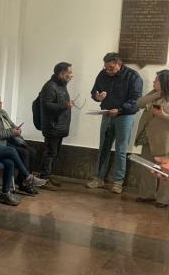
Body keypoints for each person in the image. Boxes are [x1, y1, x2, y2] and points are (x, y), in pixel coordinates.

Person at [87, 53, 142, 194]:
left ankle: (118, 182)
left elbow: (136, 100)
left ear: (119, 64)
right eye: (106, 67)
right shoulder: (103, 74)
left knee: (121, 149)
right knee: (103, 147)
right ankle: (99, 178)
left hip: (125, 116)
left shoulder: (133, 76)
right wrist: (97, 97)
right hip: (107, 114)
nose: (108, 71)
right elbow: (94, 92)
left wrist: (120, 110)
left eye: (111, 68)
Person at [0, 91, 56, 191]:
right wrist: (13, 132)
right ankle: (24, 182)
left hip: (10, 139)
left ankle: (22, 180)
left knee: (32, 152)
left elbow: (12, 125)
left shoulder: (2, 112)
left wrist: (17, 129)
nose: (0, 102)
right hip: (0, 143)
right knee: (24, 153)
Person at [134, 70, 169, 207]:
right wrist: (157, 93)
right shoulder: (154, 93)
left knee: (164, 171)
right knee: (148, 167)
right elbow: (139, 103)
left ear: (164, 82)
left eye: (157, 80)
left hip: (163, 140)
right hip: (147, 137)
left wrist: (162, 115)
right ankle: (146, 195)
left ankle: (163, 200)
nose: (154, 82)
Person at [39, 62, 74, 183]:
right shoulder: (50, 86)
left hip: (59, 126)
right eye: (69, 73)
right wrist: (65, 105)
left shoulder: (61, 85)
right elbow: (47, 105)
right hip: (52, 126)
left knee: (55, 153)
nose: (71, 75)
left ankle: (48, 176)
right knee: (50, 153)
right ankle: (43, 178)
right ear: (61, 73)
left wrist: (65, 105)